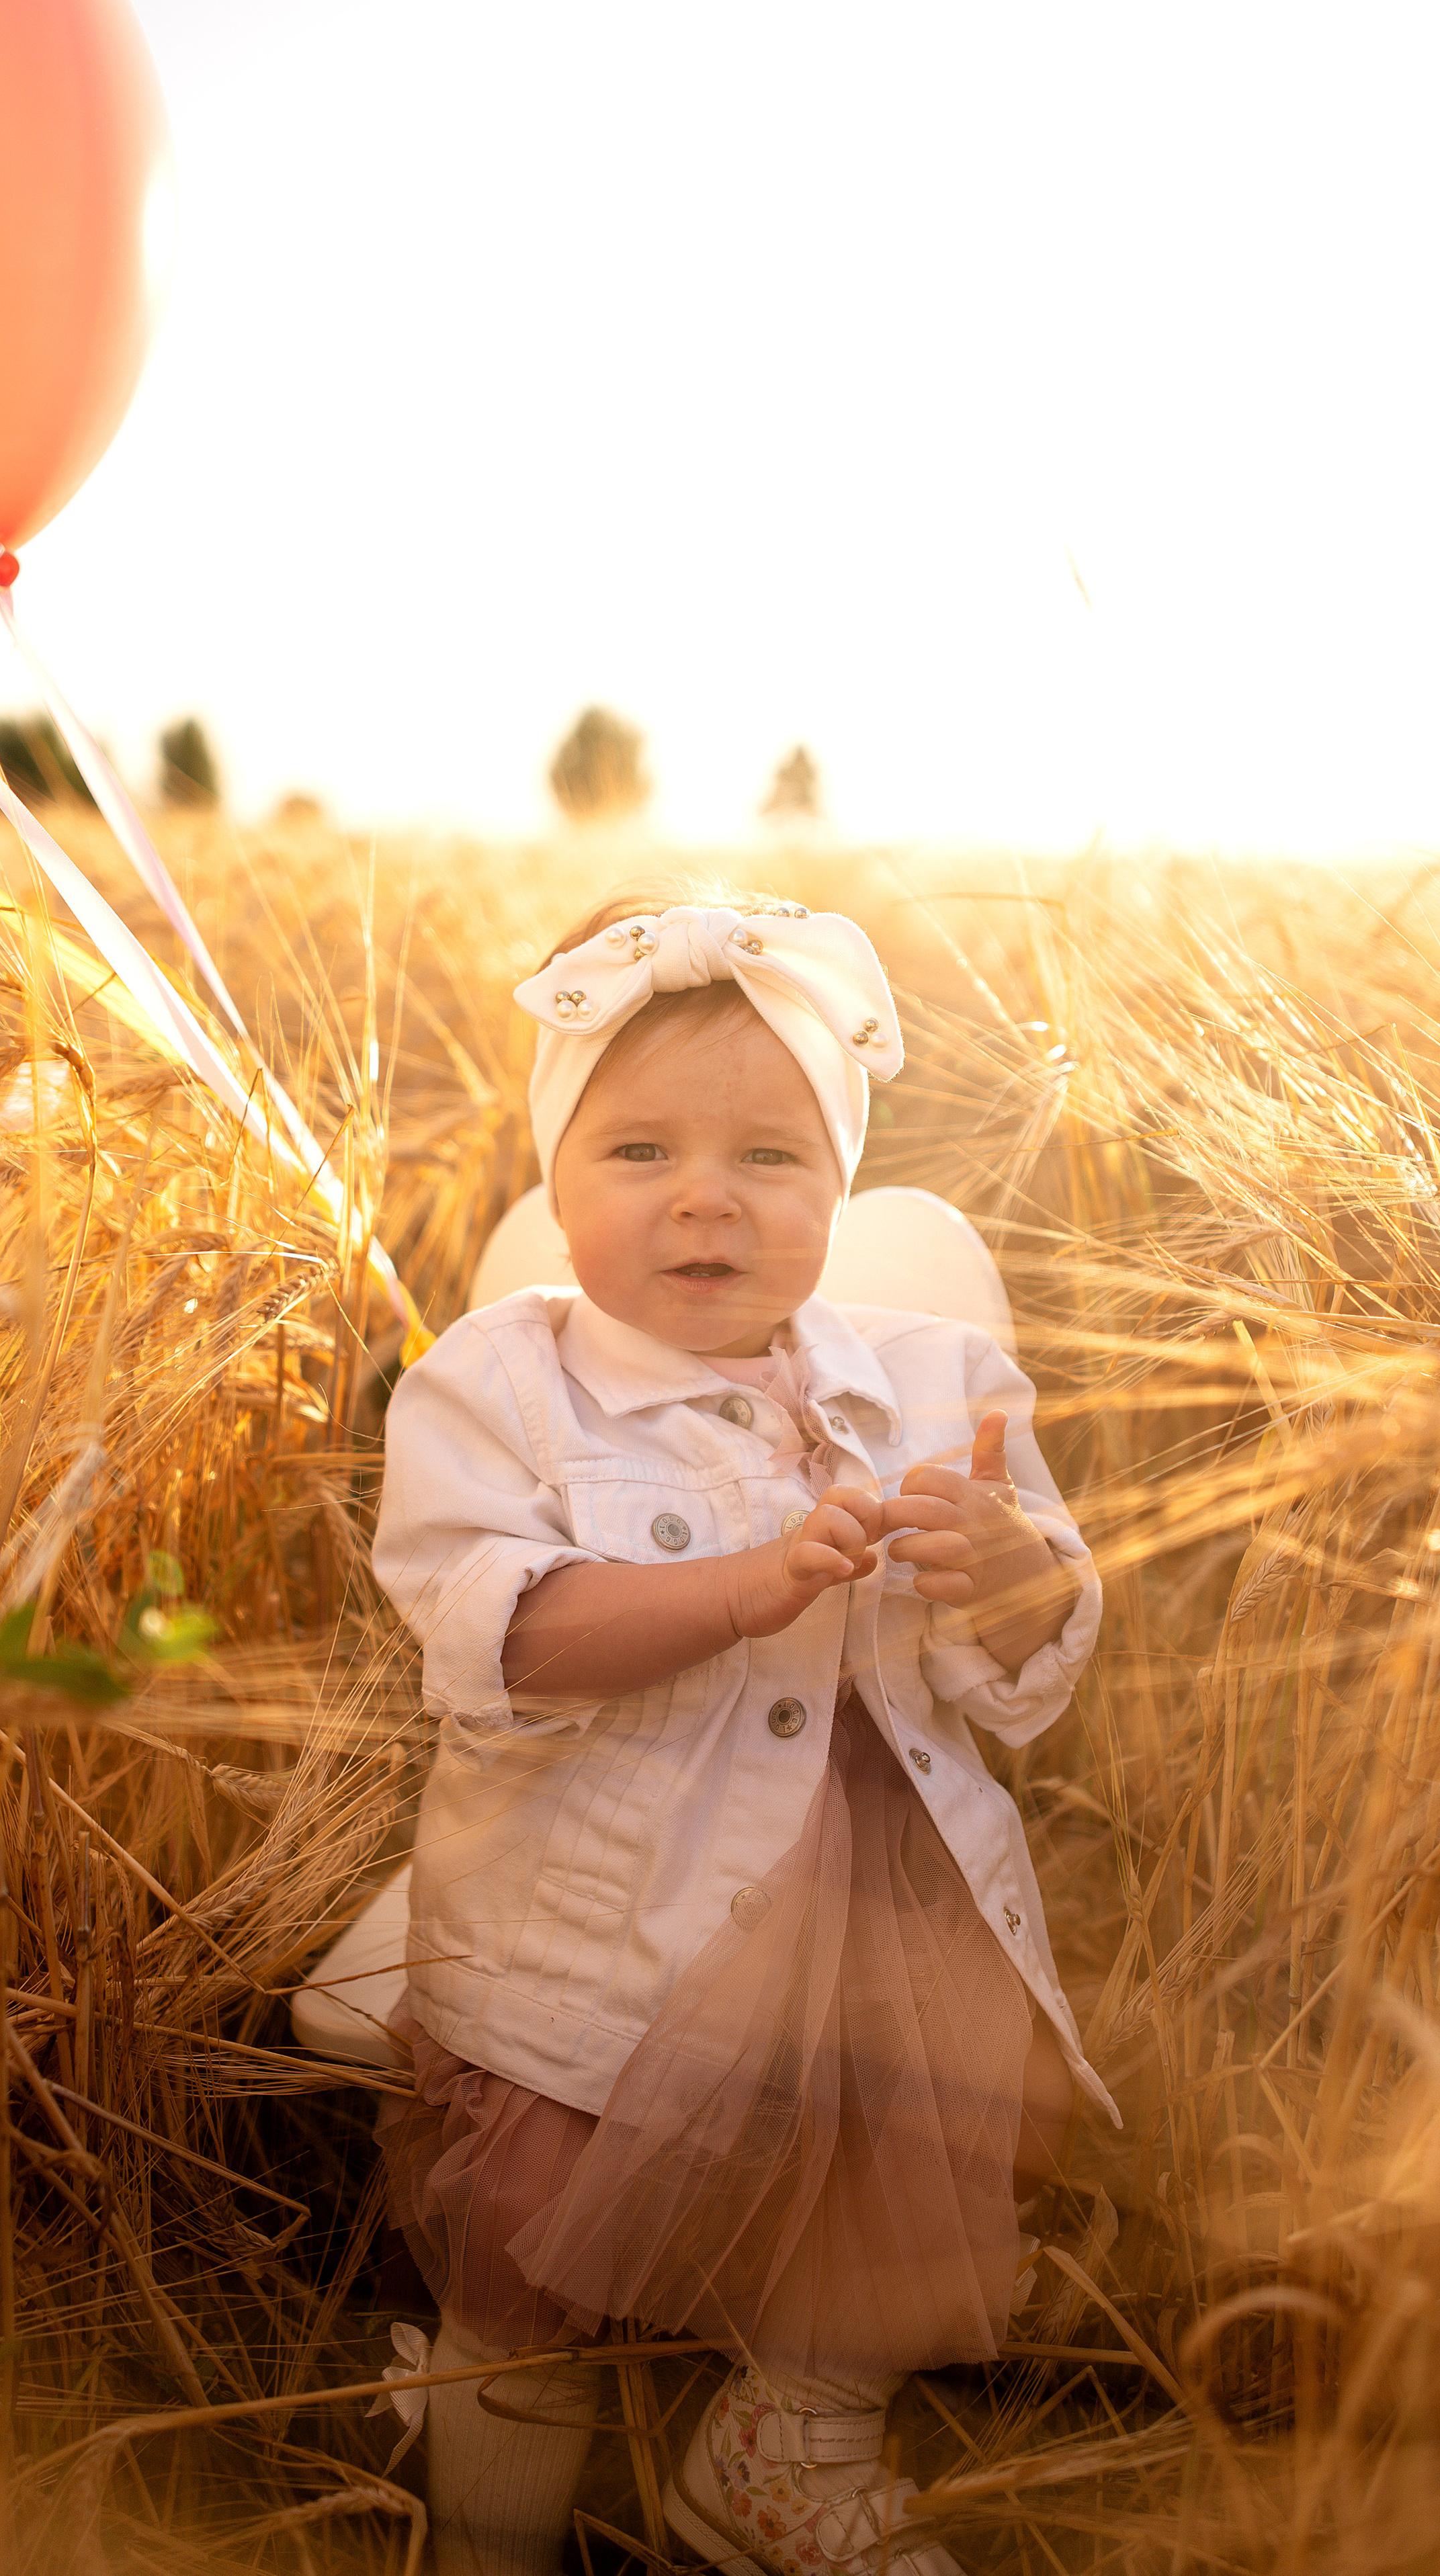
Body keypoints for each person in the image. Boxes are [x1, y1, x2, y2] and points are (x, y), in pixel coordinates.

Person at [372, 890, 1115, 2576]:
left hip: (887, 1900)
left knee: (907, 2154)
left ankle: (790, 2437)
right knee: (536, 2235)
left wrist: (1004, 1574)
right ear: (551, 1181)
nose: (704, 1195)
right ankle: (493, 2506)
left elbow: (1033, 1658)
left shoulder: (938, 1377)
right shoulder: (498, 1385)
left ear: (837, 1192)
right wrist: (745, 1583)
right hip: (600, 1908)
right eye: (635, 1151)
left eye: (769, 1159)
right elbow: (500, 1635)